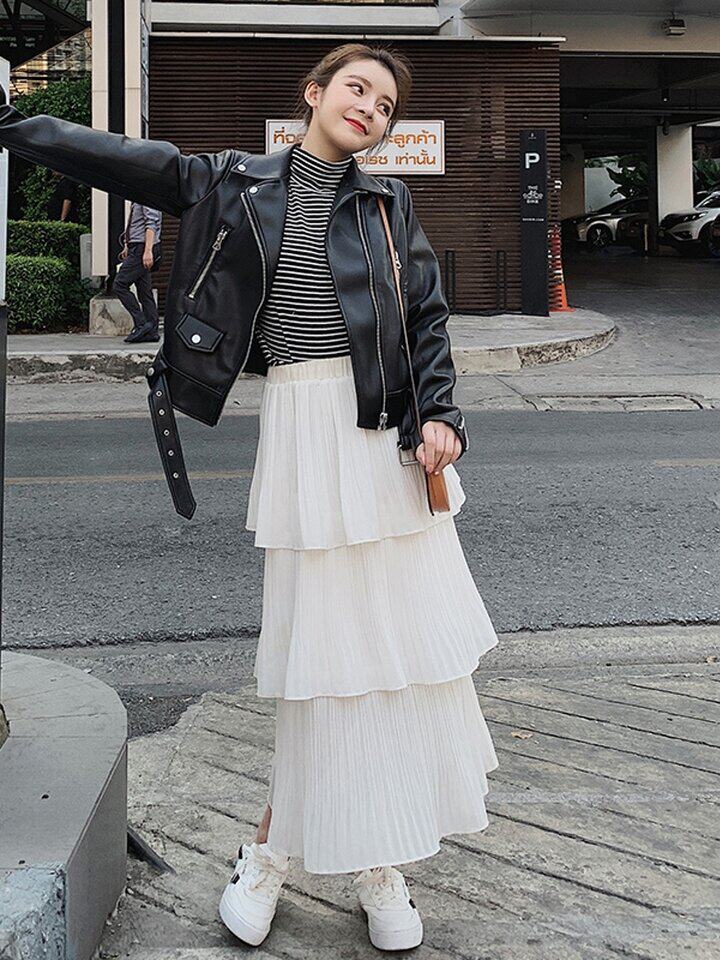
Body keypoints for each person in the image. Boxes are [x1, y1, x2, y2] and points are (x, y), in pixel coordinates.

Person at [0, 43, 500, 953]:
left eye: (386, 104)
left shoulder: (389, 203)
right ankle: (279, 852)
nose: (370, 108)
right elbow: (125, 159)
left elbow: (424, 316)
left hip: (390, 446)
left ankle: (372, 859)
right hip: (308, 434)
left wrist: (443, 415)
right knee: (325, 666)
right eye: (357, 88)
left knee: (397, 667)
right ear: (314, 94)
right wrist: (11, 126)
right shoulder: (233, 180)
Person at [114, 201, 162, 343]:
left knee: (120, 285)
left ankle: (141, 324)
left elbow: (151, 224)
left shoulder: (147, 198)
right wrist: (127, 246)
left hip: (142, 248)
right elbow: (137, 225)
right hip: (137, 247)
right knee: (144, 290)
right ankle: (152, 331)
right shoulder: (139, 198)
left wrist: (148, 251)